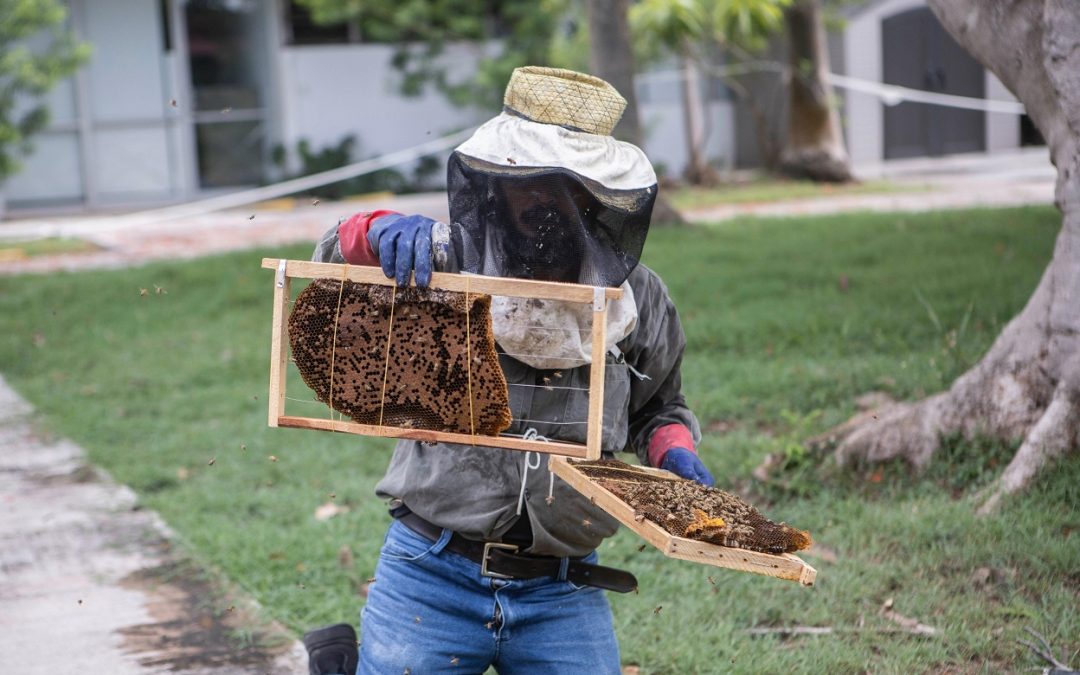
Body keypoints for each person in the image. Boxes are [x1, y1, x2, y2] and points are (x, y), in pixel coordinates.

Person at [303, 66, 714, 675]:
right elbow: (328, 265)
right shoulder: (440, 258)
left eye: (566, 185)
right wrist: (376, 229)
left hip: (563, 588)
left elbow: (660, 408)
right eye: (532, 183)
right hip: (431, 572)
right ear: (498, 181)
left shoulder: (640, 298)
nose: (546, 201)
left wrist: (673, 450)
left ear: (597, 193)